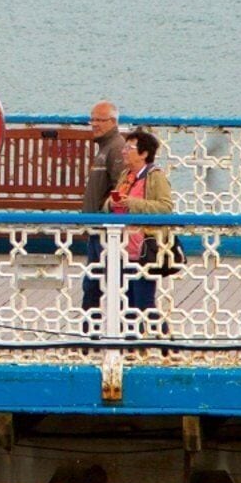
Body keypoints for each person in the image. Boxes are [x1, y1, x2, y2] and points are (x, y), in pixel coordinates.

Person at [78, 127, 174, 330]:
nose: (124, 152)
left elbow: (165, 207)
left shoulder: (155, 177)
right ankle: (131, 340)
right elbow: (110, 203)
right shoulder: (126, 175)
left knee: (143, 302)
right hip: (122, 247)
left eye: (129, 148)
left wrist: (131, 204)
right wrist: (111, 204)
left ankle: (164, 339)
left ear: (144, 153)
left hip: (143, 248)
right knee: (125, 300)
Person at [75, 98, 123, 213]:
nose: (94, 124)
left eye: (100, 120)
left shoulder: (116, 148)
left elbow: (121, 187)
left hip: (101, 219)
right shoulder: (105, 146)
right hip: (92, 216)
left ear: (113, 122)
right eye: (92, 120)